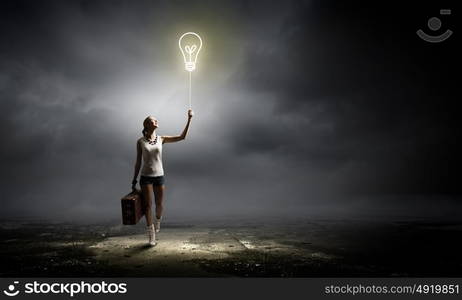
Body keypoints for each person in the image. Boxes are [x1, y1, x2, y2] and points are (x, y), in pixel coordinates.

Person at [132, 109, 194, 246]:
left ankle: (158, 220)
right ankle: (151, 235)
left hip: (159, 176)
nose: (156, 121)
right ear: (147, 125)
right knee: (148, 205)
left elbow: (182, 137)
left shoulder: (161, 139)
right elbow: (138, 162)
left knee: (159, 205)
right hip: (145, 177)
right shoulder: (140, 141)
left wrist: (189, 119)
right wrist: (134, 179)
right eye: (153, 120)